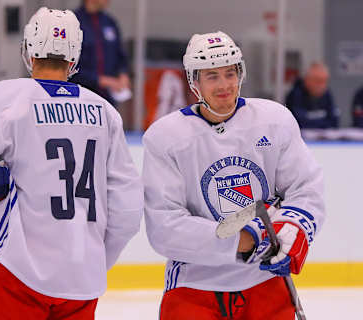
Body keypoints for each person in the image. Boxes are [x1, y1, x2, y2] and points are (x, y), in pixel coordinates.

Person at [0, 7, 143, 320]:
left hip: (17, 271)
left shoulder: (3, 99)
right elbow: (129, 211)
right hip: (81, 282)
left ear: (28, 50)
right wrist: (94, 261)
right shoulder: (105, 112)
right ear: (75, 55)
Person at [143, 31, 325, 319]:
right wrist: (245, 237)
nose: (225, 85)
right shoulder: (166, 137)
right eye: (212, 76)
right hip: (194, 286)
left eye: (230, 73)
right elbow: (165, 228)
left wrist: (293, 229)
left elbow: (305, 188)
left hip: (264, 281)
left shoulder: (273, 120)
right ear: (195, 81)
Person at [71, 0, 131, 106]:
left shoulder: (109, 22)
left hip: (107, 99)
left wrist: (123, 74)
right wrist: (99, 80)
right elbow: (69, 67)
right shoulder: (73, 22)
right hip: (81, 97)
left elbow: (120, 56)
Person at [285, 62, 339, 128]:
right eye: (318, 81)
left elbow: (334, 121)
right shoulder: (295, 95)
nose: (322, 85)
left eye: (325, 81)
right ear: (307, 80)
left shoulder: (327, 94)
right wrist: (322, 123)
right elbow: (300, 122)